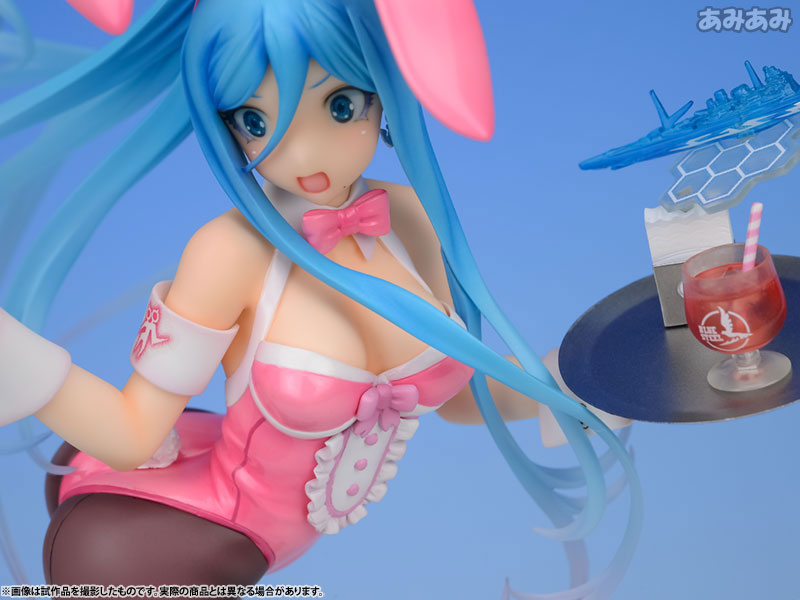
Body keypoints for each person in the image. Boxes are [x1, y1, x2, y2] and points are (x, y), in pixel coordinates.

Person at [0, 0, 641, 595]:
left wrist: (568, 384)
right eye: (256, 121)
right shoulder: (229, 253)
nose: (304, 155)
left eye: (340, 106)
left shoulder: (408, 216)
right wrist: (24, 367)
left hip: (279, 543)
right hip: (189, 532)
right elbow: (132, 432)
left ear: (382, 91)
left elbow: (463, 398)